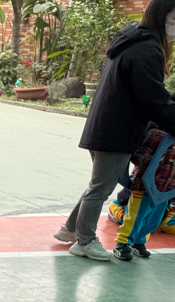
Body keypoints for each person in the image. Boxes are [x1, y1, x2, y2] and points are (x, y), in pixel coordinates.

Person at [54, 0, 175, 261]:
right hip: (117, 130)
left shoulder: (134, 40)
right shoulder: (147, 49)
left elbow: (149, 94)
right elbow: (152, 99)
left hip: (107, 125)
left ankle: (71, 229)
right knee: (100, 188)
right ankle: (85, 241)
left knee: (99, 183)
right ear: (160, 17)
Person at [112, 125, 175, 260]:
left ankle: (139, 241)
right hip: (144, 187)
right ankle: (122, 243)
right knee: (135, 218)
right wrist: (154, 163)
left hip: (165, 191)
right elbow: (138, 155)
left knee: (153, 220)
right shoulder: (156, 133)